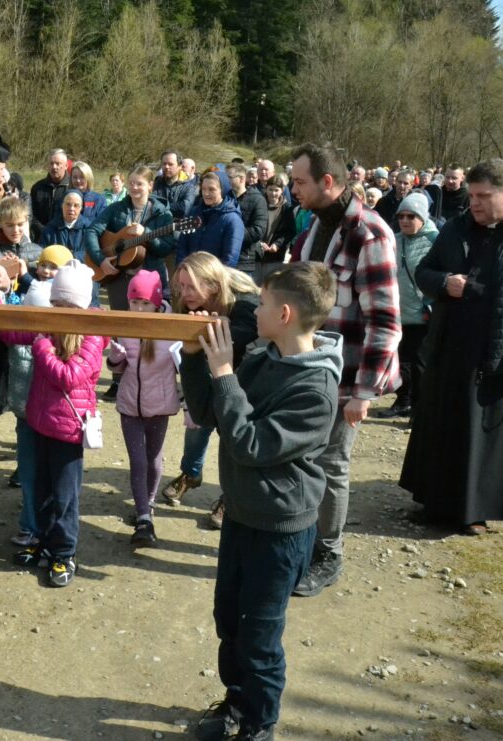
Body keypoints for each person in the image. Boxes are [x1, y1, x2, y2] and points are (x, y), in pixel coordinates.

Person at [184, 263, 342, 741]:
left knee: (260, 638)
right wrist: (195, 358)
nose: (255, 310)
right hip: (242, 515)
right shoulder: (262, 356)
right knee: (229, 621)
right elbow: (207, 413)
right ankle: (237, 703)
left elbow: (249, 444)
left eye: (265, 303)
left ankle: (259, 725)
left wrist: (224, 372)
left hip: (280, 531)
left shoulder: (315, 389)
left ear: (285, 314)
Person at [399, 158, 503, 535]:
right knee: (442, 429)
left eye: (482, 196)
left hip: (499, 354)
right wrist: (444, 283)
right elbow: (424, 272)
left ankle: (474, 511)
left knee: (482, 439)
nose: (473, 203)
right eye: (471, 195)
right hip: (448, 347)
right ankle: (434, 503)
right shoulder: (456, 228)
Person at [287, 143, 400, 598]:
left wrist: (364, 392)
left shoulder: (369, 234)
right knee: (303, 459)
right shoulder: (315, 226)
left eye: (300, 182)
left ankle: (327, 554)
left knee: (331, 464)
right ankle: (303, 542)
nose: (293, 189)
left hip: (347, 378)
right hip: (306, 369)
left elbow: (385, 321)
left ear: (328, 182)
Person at [0, 261, 106, 587]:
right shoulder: (46, 327)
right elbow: (9, 331)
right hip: (40, 423)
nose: (58, 310)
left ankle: (64, 552)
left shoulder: (91, 335)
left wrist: (42, 346)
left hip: (68, 431)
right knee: (42, 490)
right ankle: (44, 541)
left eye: (65, 305)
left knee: (65, 496)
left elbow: (68, 376)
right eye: (55, 303)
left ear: (80, 306)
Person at [159, 252, 261, 525]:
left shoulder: (246, 304)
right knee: (196, 421)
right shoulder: (189, 305)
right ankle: (191, 473)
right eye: (181, 286)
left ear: (214, 285)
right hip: (210, 370)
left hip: (246, 380)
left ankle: (230, 498)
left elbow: (239, 338)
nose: (184, 294)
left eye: (191, 287)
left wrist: (206, 328)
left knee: (232, 439)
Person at [106, 270, 182, 547]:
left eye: (145, 303)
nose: (138, 309)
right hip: (130, 404)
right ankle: (143, 516)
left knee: (154, 460)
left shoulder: (171, 327)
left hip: (159, 405)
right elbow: (117, 368)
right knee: (137, 461)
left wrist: (188, 406)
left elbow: (183, 368)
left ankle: (149, 501)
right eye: (134, 302)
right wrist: (115, 359)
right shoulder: (126, 324)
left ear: (157, 302)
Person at [0, 197, 44, 465]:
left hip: (25, 330)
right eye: (9, 225)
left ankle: (22, 440)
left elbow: (44, 287)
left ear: (27, 222)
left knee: (22, 385)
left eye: (20, 224)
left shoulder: (36, 251)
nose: (16, 229)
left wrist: (26, 273)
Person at [6, 250, 68, 547]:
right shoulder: (28, 331)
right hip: (27, 407)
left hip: (58, 415)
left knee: (57, 477)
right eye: (43, 265)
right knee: (30, 469)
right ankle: (30, 525)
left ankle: (55, 534)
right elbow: (8, 331)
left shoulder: (71, 333)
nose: (46, 271)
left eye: (54, 268)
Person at [375, 193, 438, 419]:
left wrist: (431, 304)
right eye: (401, 216)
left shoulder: (435, 240)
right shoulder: (394, 239)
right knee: (399, 362)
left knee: (419, 364)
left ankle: (420, 409)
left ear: (422, 217)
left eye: (411, 216)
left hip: (423, 315)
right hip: (397, 313)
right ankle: (404, 401)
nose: (405, 220)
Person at [88, 164, 178, 312]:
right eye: (131, 183)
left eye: (139, 184)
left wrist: (146, 234)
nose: (134, 187)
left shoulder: (163, 214)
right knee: (120, 323)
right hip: (119, 278)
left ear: (150, 185)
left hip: (151, 279)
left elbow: (165, 249)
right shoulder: (116, 208)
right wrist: (100, 259)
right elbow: (92, 230)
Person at [174, 169, 245, 269]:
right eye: (203, 189)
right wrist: (183, 269)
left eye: (211, 189)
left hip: (212, 276)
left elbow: (229, 259)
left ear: (223, 190)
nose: (206, 193)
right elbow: (182, 245)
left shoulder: (232, 220)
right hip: (189, 272)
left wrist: (209, 276)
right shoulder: (194, 212)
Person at [228, 163, 267, 277]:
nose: (226, 181)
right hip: (222, 257)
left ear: (241, 179)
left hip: (243, 260)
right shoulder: (225, 197)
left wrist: (231, 233)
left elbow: (258, 230)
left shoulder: (257, 199)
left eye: (229, 177)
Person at [255, 173, 296, 283]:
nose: (273, 193)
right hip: (256, 255)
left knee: (270, 286)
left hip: (275, 257)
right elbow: (252, 227)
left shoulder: (287, 209)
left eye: (276, 190)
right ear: (266, 189)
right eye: (270, 190)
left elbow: (290, 231)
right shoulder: (258, 204)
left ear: (282, 190)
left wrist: (277, 244)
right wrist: (258, 243)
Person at [29, 148, 71, 242]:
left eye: (58, 163)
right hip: (40, 237)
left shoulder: (72, 188)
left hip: (65, 238)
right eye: (51, 163)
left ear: (66, 166)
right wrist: (44, 231)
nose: (54, 167)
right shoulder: (37, 187)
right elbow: (31, 214)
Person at [41, 189, 91, 263]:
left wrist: (72, 255)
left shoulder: (89, 228)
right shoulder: (50, 229)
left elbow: (92, 252)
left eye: (76, 205)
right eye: (68, 204)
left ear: (81, 208)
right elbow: (43, 252)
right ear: (62, 205)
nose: (71, 209)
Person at [153, 151, 197, 217]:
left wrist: (161, 207)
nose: (166, 167)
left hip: (178, 223)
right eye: (164, 164)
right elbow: (151, 204)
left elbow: (184, 209)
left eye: (170, 164)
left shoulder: (188, 187)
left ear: (180, 166)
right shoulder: (157, 183)